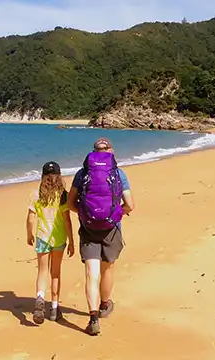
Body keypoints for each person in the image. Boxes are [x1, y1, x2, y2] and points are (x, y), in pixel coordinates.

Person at [67, 137, 135, 336]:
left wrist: (85, 215)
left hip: (88, 228)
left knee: (91, 273)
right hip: (111, 229)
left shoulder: (82, 173)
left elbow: (71, 203)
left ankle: (93, 318)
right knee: (107, 269)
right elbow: (130, 205)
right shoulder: (119, 174)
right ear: (111, 152)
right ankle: (105, 305)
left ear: (94, 152)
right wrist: (115, 215)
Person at [26, 161, 75, 325]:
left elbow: (30, 219)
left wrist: (29, 235)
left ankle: (40, 297)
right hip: (59, 239)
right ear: (59, 177)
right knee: (55, 273)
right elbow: (67, 220)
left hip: (42, 238)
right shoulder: (63, 195)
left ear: (43, 176)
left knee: (42, 271)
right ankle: (54, 309)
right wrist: (72, 241)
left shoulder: (36, 194)